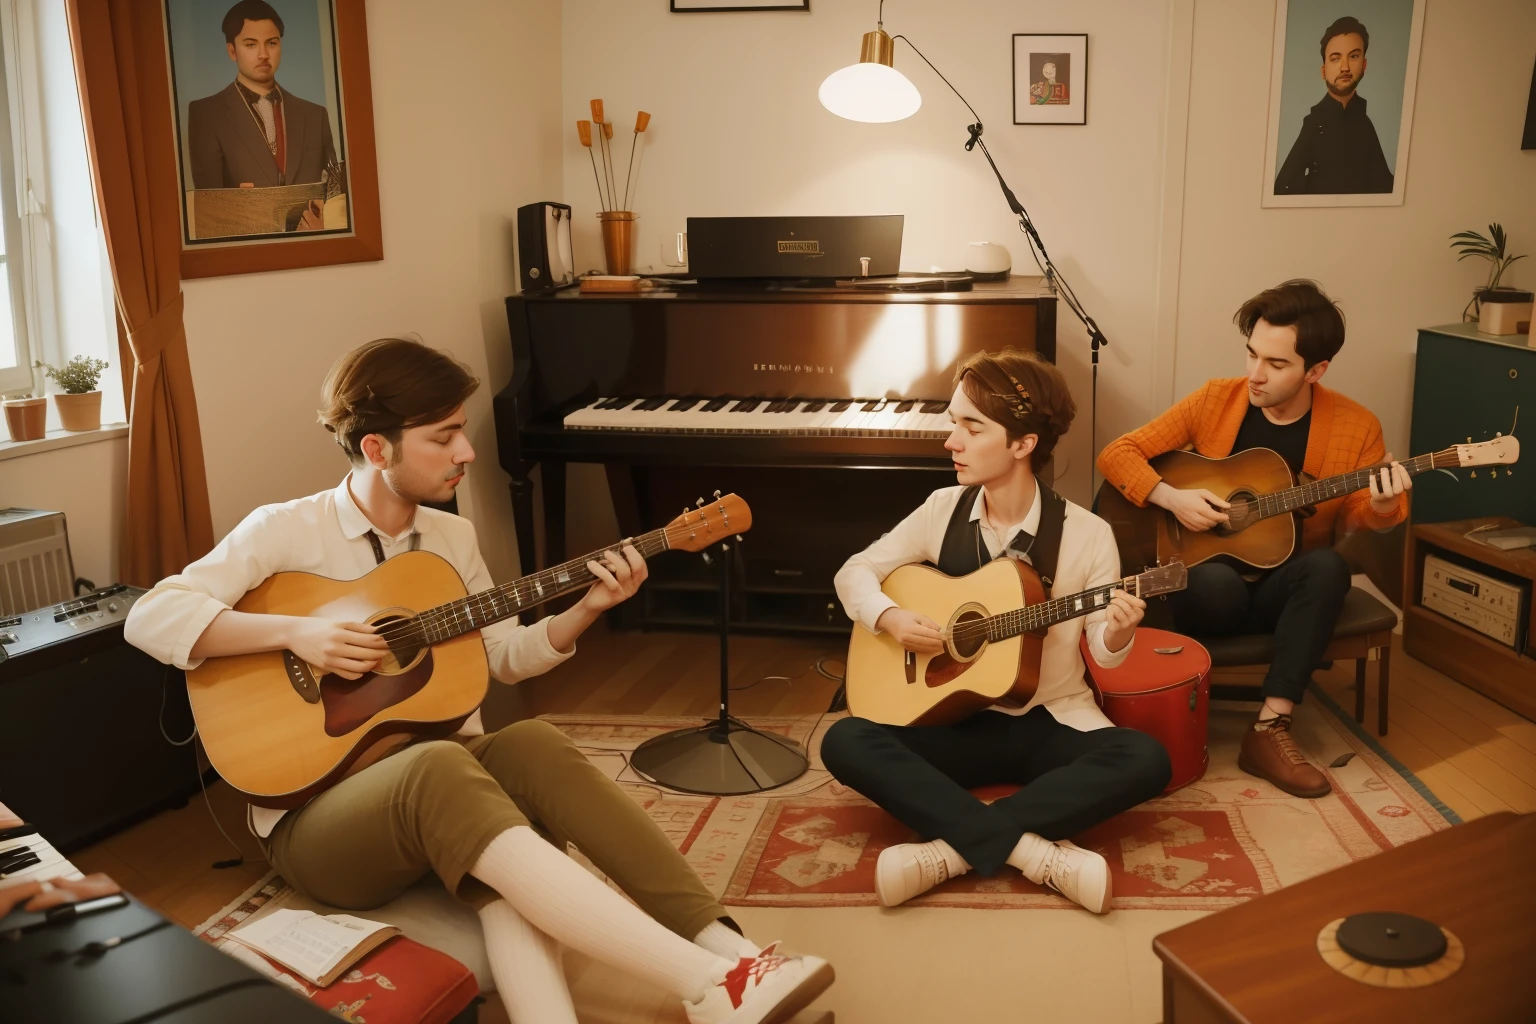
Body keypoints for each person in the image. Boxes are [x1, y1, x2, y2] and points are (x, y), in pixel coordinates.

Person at [124, 338, 833, 1024]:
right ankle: (707, 986)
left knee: (532, 743)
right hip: (317, 818)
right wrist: (294, 632)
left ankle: (732, 951)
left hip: (442, 792)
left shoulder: (451, 540)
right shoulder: (283, 532)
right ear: (378, 447)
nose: (466, 453)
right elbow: (152, 616)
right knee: (440, 764)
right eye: (444, 436)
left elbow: (501, 657)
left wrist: (587, 607)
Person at [821, 349, 1172, 914]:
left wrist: (1118, 631)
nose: (950, 441)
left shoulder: (1088, 534)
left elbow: (1104, 659)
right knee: (844, 740)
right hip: (950, 721)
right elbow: (854, 571)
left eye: (970, 426)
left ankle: (946, 853)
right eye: (952, 422)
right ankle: (1039, 856)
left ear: (1023, 443)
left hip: (1048, 721)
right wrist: (888, 617)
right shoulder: (942, 509)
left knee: (1146, 760)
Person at [1097, 280, 1410, 799]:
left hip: (1281, 593)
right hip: (1205, 593)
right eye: (1251, 354)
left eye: (1276, 364)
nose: (1255, 374)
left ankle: (1269, 729)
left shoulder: (1356, 427)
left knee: (1329, 568)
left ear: (1316, 370)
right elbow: (1118, 454)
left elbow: (1360, 516)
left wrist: (1380, 506)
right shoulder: (1218, 399)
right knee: (1215, 582)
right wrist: (1172, 498)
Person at [187, 0, 337, 229]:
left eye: (272, 43)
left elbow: (337, 193)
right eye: (250, 44)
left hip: (313, 242)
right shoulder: (205, 115)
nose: (263, 54)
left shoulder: (316, 114)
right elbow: (209, 209)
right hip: (246, 249)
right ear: (232, 51)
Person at [1274, 16, 1394, 195]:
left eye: (1353, 56)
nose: (1345, 67)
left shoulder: (1364, 122)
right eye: (1335, 59)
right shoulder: (1316, 123)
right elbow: (1284, 186)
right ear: (1324, 70)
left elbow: (1384, 183)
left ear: (1364, 65)